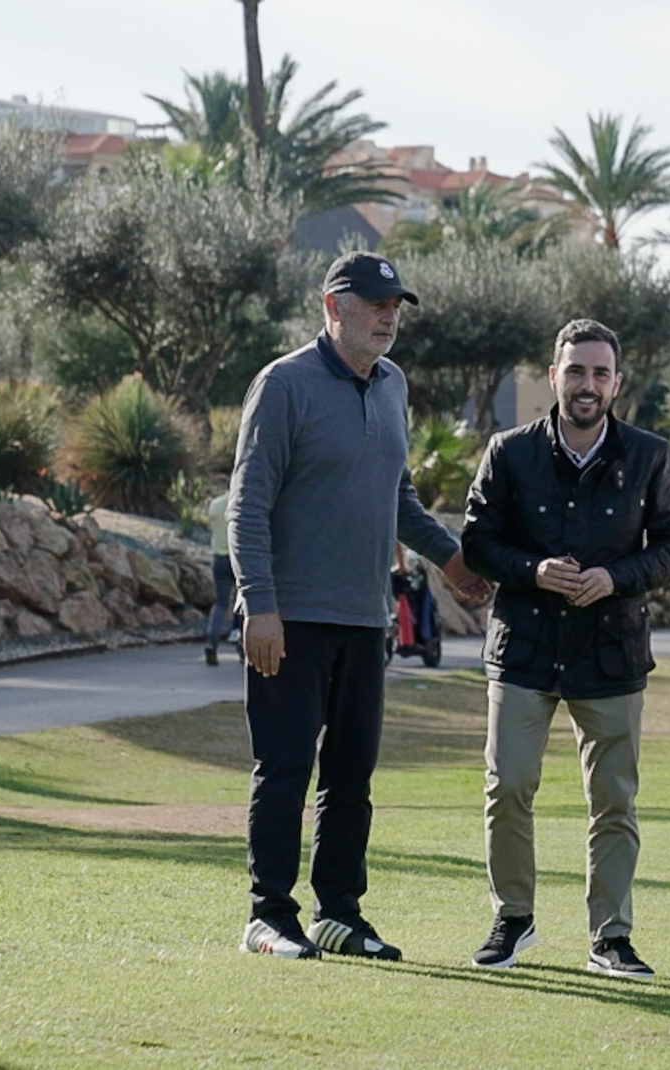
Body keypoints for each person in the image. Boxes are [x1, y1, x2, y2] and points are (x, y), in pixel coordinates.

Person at [227, 251, 491, 960]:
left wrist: (449, 557)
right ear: (332, 307)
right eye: (375, 304)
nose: (388, 317)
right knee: (285, 770)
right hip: (291, 618)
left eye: (395, 306)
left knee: (351, 778)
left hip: (365, 617)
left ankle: (339, 913)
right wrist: (260, 605)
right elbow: (247, 504)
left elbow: (396, 494)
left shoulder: (392, 384)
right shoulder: (283, 384)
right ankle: (267, 916)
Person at [461, 318, 670, 980]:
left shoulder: (649, 455)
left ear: (617, 383)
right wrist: (533, 571)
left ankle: (611, 937)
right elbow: (477, 542)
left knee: (614, 801)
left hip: (611, 652)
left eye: (599, 373)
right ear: (552, 376)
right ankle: (512, 919)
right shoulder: (508, 452)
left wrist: (616, 578)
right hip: (524, 648)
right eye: (575, 371)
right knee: (508, 785)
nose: (586, 384)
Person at [203, 489, 241, 666]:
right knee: (242, 603)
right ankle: (241, 645)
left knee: (220, 603)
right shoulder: (241, 501)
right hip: (238, 557)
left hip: (219, 557)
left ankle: (211, 642)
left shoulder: (215, 504)